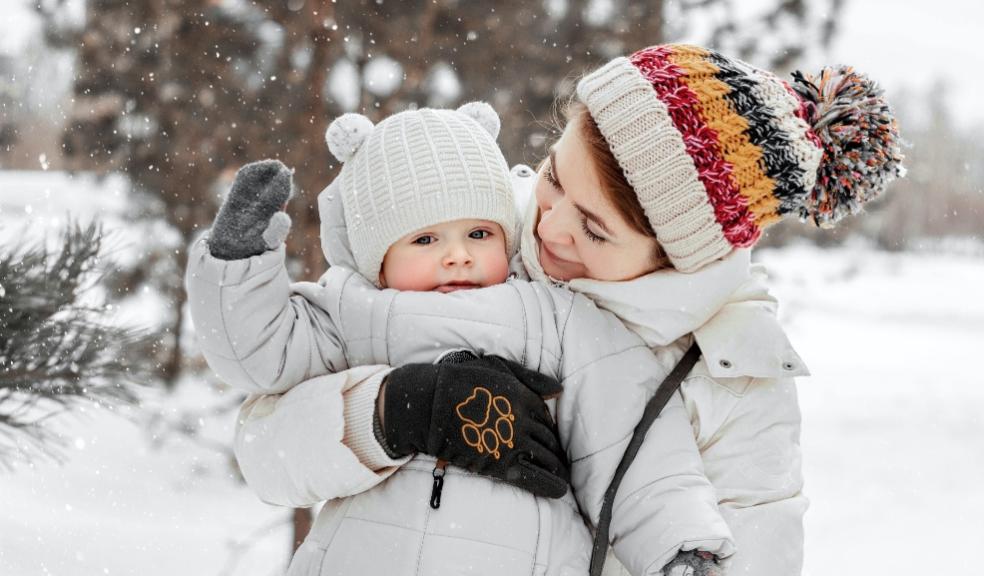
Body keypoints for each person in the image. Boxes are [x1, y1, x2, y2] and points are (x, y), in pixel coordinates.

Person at [194, 43, 904, 576]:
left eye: (594, 229)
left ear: (675, 257)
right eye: (556, 177)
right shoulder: (464, 233)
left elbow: (680, 505)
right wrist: (392, 412)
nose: (548, 225)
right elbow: (265, 453)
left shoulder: (737, 387)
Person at [187, 101, 734, 576]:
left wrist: (680, 546)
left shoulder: (556, 317)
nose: (458, 255)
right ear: (377, 258)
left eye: (478, 233)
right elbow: (260, 353)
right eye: (425, 239)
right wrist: (238, 262)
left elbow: (630, 440)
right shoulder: (352, 312)